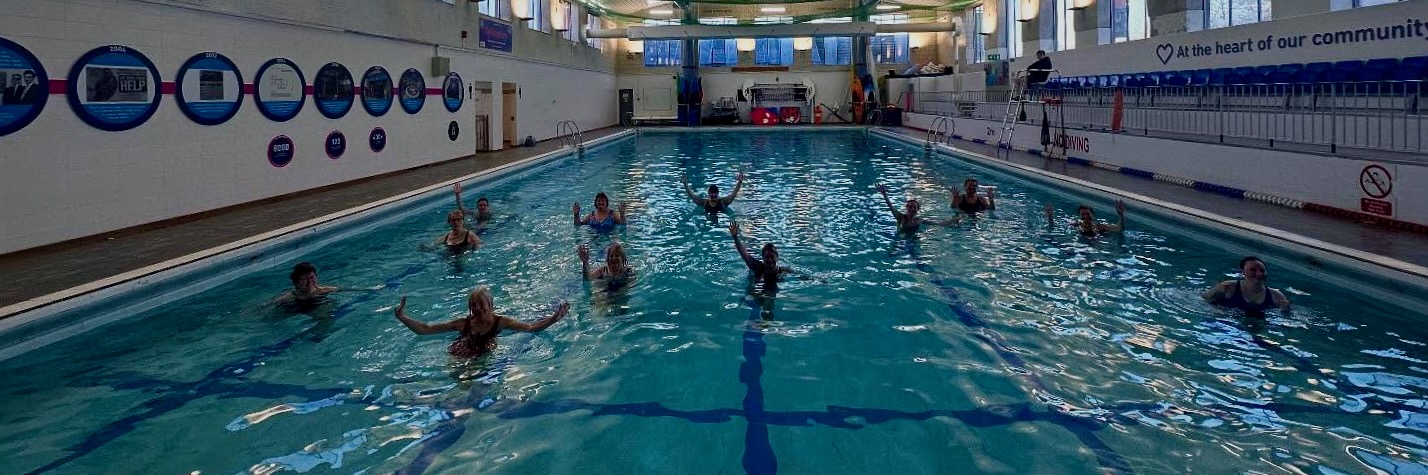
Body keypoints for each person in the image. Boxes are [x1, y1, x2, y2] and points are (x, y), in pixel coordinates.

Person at [392, 288, 571, 359]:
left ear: (490, 305)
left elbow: (531, 327)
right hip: (459, 352)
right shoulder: (463, 324)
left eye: (481, 304)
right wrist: (403, 317)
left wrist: (554, 319)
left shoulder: (501, 322)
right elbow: (426, 330)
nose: (477, 308)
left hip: (483, 354)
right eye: (473, 305)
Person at [1202, 256, 1291, 315]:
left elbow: (1285, 316)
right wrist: (1216, 291)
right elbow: (1203, 299)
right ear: (1243, 272)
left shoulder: (1276, 296)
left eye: (1262, 270)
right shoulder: (1229, 287)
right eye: (1252, 270)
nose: (1258, 273)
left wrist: (1284, 310)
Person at [877, 184, 962, 233]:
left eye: (914, 207)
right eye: (910, 207)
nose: (912, 209)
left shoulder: (919, 220)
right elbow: (890, 207)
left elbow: (938, 224)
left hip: (914, 240)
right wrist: (884, 194)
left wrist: (954, 220)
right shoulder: (900, 217)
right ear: (906, 208)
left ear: (917, 209)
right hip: (900, 240)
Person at [729, 220, 790, 288]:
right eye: (767, 257)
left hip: (772, 287)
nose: (769, 260)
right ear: (763, 258)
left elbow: (801, 277)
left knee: (769, 293)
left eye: (772, 257)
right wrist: (735, 237)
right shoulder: (756, 266)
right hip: (756, 285)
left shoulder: (783, 271)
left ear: (777, 257)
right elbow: (744, 254)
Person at [275, 262, 342, 308]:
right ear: (296, 282)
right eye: (305, 279)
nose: (310, 281)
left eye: (312, 277)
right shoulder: (289, 297)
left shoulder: (324, 290)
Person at [1045, 200, 1126, 236]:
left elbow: (1119, 229)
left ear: (1093, 215)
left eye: (1088, 214)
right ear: (1079, 216)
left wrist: (1121, 215)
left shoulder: (1101, 227)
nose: (1085, 216)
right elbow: (1053, 227)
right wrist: (1050, 217)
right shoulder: (1076, 225)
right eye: (1083, 214)